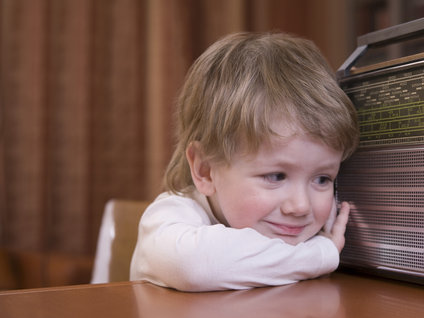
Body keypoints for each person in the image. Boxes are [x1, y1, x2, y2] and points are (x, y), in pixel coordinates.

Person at [130, 32, 359, 291]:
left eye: (322, 179)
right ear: (205, 170)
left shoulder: (287, 228)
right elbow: (196, 267)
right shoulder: (170, 217)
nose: (300, 206)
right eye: (276, 176)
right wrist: (322, 253)